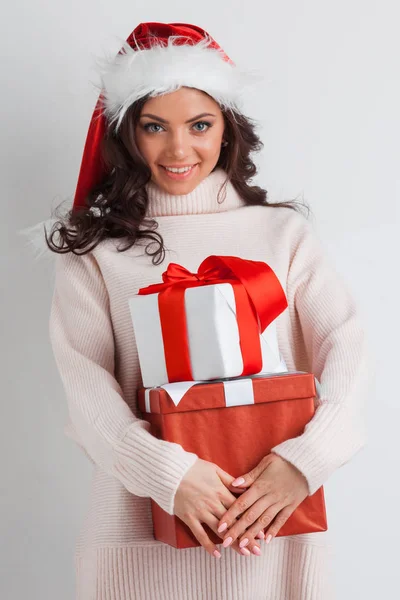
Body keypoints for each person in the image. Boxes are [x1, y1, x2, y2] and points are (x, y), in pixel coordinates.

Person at [44, 22, 370, 600]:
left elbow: (347, 351)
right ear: (127, 135)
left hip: (274, 521)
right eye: (154, 127)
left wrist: (304, 461)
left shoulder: (283, 235)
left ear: (226, 129)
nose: (177, 150)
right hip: (138, 529)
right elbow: (84, 386)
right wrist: (168, 476)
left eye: (199, 125)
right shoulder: (98, 252)